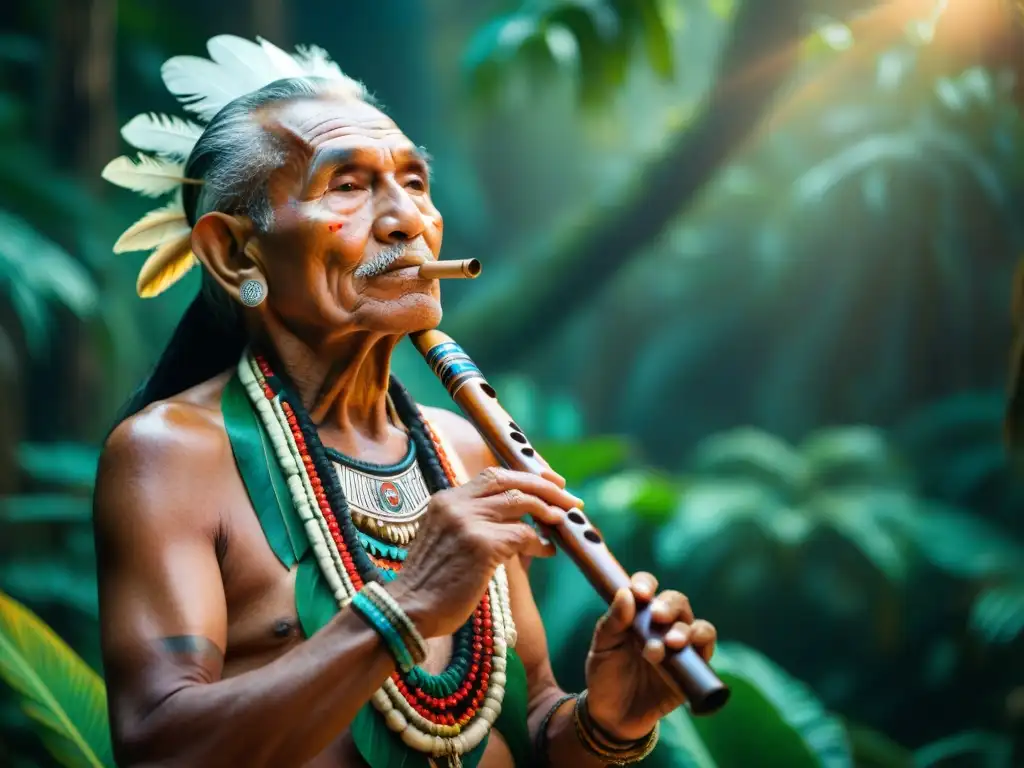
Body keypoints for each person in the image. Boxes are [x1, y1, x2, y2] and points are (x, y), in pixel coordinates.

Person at [93, 35, 717, 768]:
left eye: (415, 182)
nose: (405, 220)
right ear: (235, 253)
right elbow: (159, 753)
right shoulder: (171, 456)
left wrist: (606, 722)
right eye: (348, 186)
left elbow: (533, 722)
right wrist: (408, 605)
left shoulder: (463, 448)